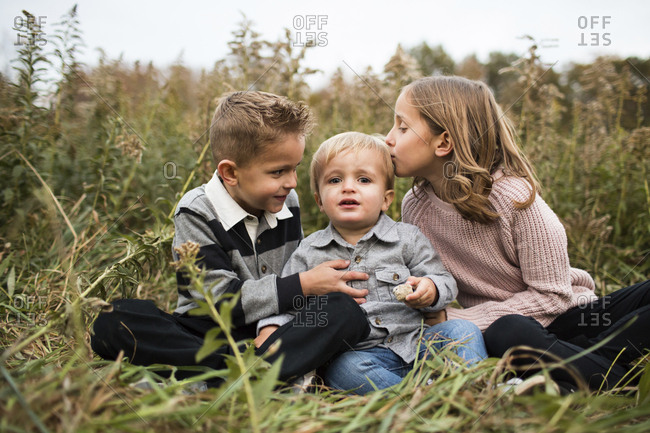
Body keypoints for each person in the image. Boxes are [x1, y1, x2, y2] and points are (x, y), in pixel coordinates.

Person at [385, 75, 650, 391]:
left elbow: (553, 296)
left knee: (506, 330)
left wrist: (462, 320)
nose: (388, 138)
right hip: (512, 336)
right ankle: (603, 374)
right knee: (506, 332)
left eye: (402, 127)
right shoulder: (415, 206)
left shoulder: (513, 197)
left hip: (568, 318)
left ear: (443, 143)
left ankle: (595, 377)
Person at [91, 91, 373, 385]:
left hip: (276, 331)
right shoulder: (197, 211)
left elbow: (295, 274)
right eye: (278, 171)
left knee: (344, 312)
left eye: (295, 168)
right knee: (113, 320)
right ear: (230, 172)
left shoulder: (287, 201)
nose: (291, 182)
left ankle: (233, 374)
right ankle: (252, 371)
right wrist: (303, 285)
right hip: (209, 332)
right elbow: (217, 300)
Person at [258, 132, 487, 395]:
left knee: (462, 329)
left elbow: (445, 281)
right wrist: (271, 328)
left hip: (417, 344)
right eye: (334, 180)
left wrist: (431, 288)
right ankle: (416, 400)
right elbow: (291, 300)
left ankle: (475, 392)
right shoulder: (309, 251)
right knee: (343, 370)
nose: (348, 187)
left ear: (386, 199)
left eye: (364, 179)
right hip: (362, 355)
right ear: (320, 200)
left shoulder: (407, 239)